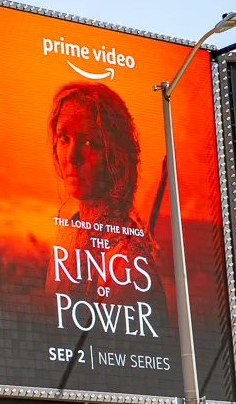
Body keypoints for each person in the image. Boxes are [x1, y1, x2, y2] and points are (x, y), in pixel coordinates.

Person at [43, 82, 167, 333]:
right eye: (64, 138)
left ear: (116, 154)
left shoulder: (130, 264)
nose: (72, 157)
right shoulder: (67, 242)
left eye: (89, 143)